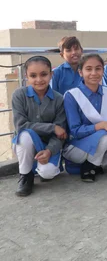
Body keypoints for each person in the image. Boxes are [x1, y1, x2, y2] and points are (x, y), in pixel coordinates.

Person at [63, 54, 107, 182]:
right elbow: (75, 131)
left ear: (103, 71)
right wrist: (103, 125)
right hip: (77, 147)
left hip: (102, 145)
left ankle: (91, 164)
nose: (94, 73)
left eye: (98, 68)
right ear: (80, 72)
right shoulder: (72, 95)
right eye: (88, 69)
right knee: (105, 136)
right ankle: (92, 166)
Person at [12, 56, 67, 196]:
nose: (39, 80)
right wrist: (52, 127)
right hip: (25, 143)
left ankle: (41, 165)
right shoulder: (19, 95)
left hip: (49, 144)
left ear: (51, 74)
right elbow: (21, 125)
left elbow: (61, 134)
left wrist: (49, 151)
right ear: (26, 76)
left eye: (44, 74)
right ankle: (25, 176)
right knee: (25, 135)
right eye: (33, 75)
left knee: (47, 174)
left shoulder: (59, 99)